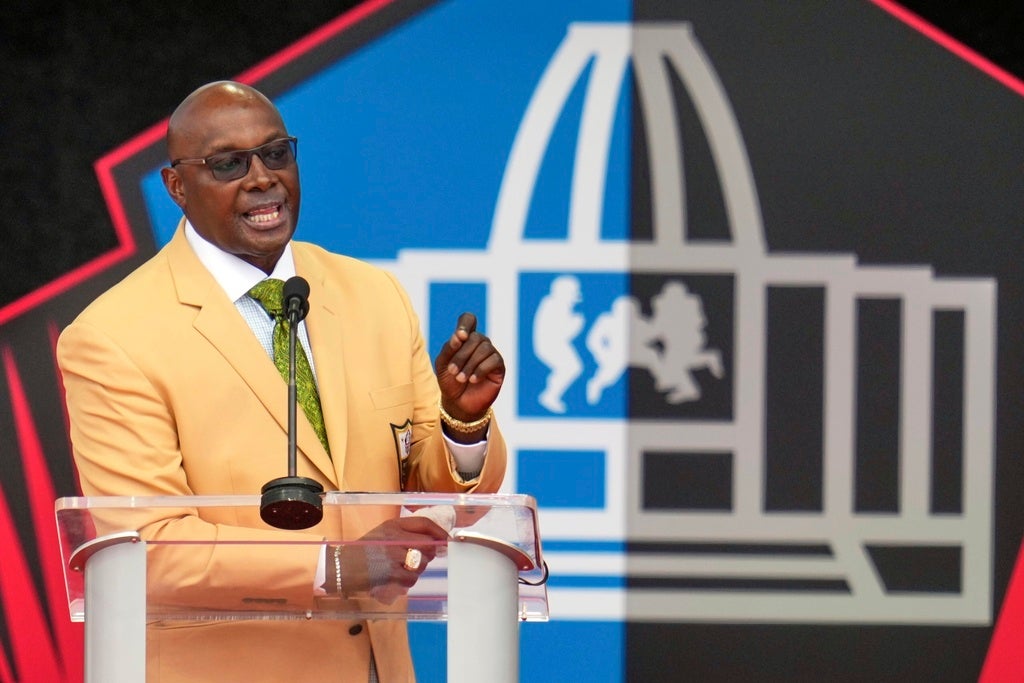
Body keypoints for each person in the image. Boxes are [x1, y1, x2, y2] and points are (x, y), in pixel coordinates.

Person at [57, 80, 507, 682]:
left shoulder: (373, 295)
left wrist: (463, 422)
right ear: (177, 187)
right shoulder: (113, 336)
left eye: (276, 154)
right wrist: (333, 566)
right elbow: (148, 550)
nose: (262, 177)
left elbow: (440, 489)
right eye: (228, 164)